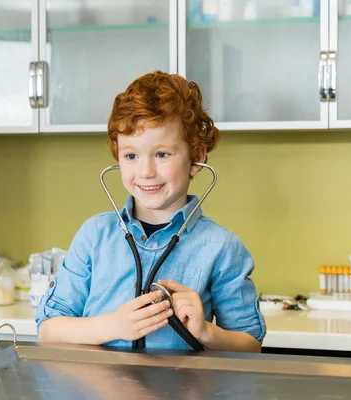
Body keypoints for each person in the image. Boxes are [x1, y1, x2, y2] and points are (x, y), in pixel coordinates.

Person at [35, 71, 265, 352]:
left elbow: (250, 345)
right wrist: (114, 326)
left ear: (196, 158)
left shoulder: (221, 247)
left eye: (162, 154)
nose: (145, 172)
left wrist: (206, 332)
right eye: (131, 156)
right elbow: (48, 330)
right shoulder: (95, 235)